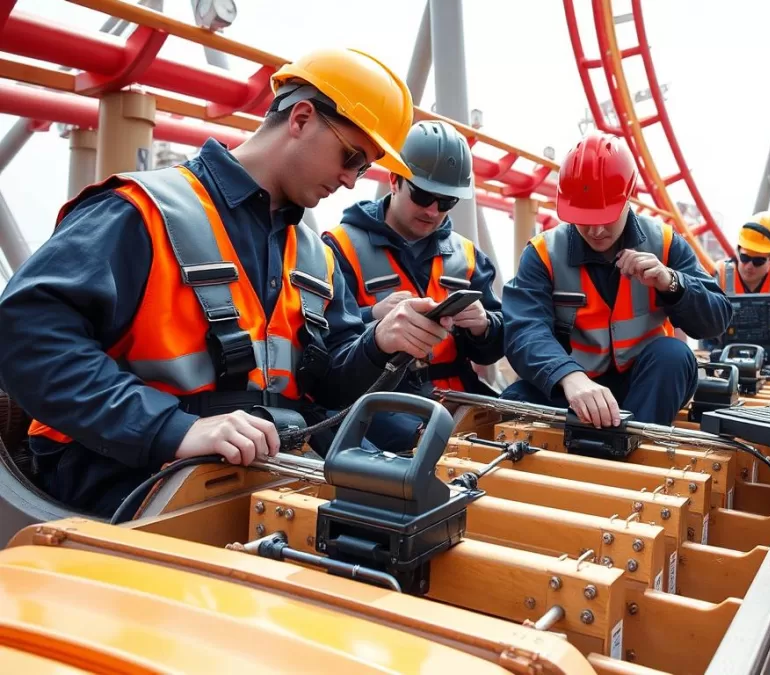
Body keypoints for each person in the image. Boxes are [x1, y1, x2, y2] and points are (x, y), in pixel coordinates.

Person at [0, 47, 455, 517]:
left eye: (363, 168)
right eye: (352, 155)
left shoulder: (316, 256)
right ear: (300, 118)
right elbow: (26, 338)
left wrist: (378, 344)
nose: (350, 180)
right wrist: (172, 429)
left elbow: (327, 386)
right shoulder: (141, 212)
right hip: (125, 477)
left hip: (257, 475)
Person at [500, 130, 732, 428]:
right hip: (574, 388)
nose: (596, 231)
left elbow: (716, 319)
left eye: (605, 218)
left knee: (673, 355)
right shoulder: (543, 253)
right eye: (585, 219)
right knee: (513, 404)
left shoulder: (665, 242)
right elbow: (524, 331)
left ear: (628, 197)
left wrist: (673, 283)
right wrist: (569, 377)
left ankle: (635, 452)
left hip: (646, 387)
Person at [322, 119, 504, 451]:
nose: (434, 211)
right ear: (394, 180)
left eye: (447, 202)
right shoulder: (338, 247)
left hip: (458, 403)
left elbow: (494, 347)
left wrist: (484, 326)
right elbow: (324, 347)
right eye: (423, 196)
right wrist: (372, 317)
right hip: (378, 407)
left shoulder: (467, 256)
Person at [707, 212, 770, 374]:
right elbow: (702, 328)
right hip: (725, 364)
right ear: (738, 251)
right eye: (744, 257)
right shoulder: (720, 274)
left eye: (758, 261)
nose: (749, 266)